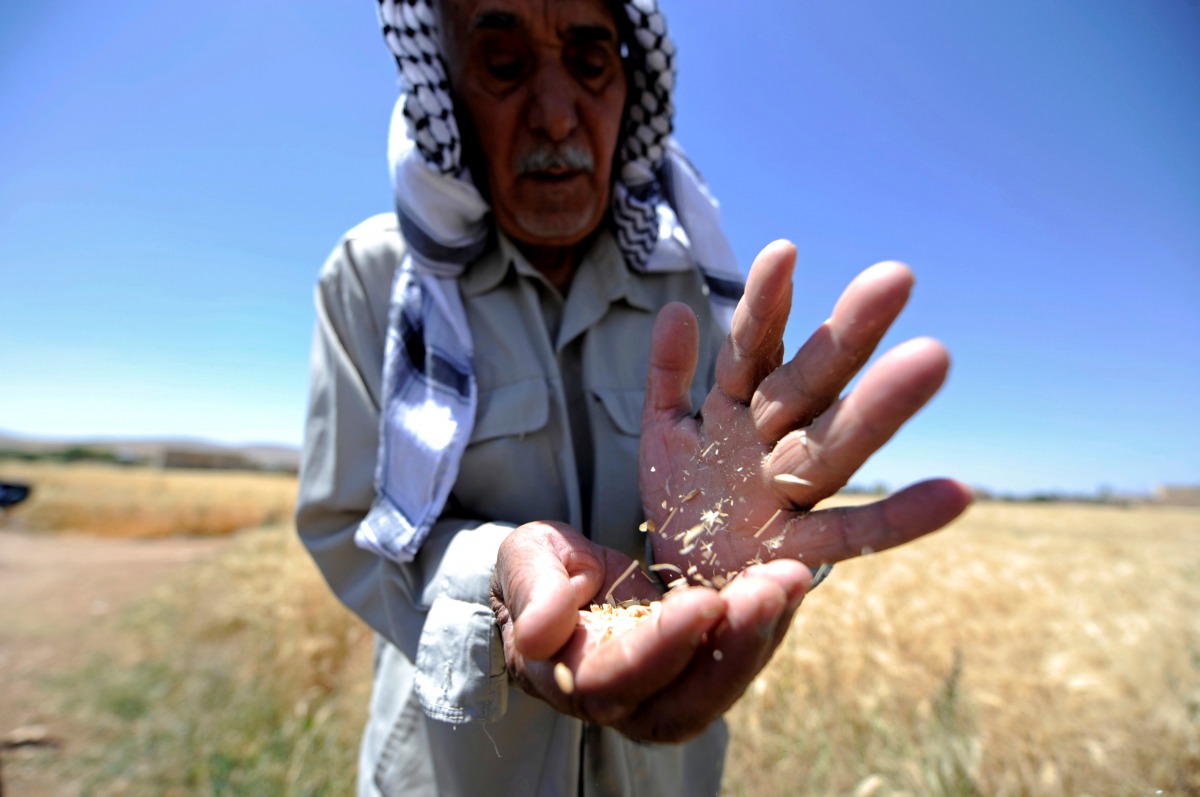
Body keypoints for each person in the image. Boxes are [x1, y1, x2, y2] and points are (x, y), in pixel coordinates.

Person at [295, 0, 973, 794]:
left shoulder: (692, 283)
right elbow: (345, 523)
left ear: (629, 82)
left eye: (589, 60)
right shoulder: (375, 281)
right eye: (504, 64)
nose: (554, 115)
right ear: (445, 83)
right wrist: (494, 579)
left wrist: (744, 545)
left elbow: (750, 497)